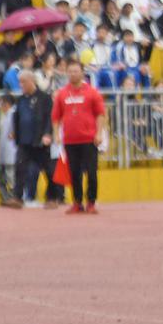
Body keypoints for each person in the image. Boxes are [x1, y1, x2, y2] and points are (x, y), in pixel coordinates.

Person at [51, 59, 105, 214]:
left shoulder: (92, 92)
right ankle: (77, 202)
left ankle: (91, 202)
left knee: (91, 172)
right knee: (74, 172)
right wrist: (56, 134)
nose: (73, 74)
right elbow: (56, 116)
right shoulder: (62, 94)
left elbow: (100, 114)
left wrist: (99, 133)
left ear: (82, 72)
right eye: (70, 71)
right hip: (70, 139)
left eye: (76, 71)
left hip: (89, 139)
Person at [8, 70, 53, 209]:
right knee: (19, 168)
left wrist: (47, 134)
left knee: (49, 170)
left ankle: (52, 198)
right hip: (24, 141)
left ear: (32, 81)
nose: (21, 85)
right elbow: (18, 117)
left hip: (39, 141)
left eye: (23, 82)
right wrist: (15, 132)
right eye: (20, 82)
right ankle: (17, 197)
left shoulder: (44, 98)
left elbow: (49, 118)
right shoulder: (21, 99)